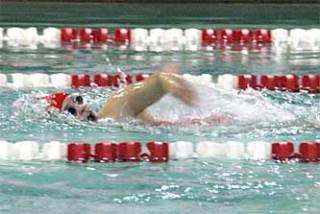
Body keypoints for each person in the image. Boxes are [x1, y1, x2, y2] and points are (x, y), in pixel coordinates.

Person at [42, 64, 198, 125]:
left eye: (77, 99)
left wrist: (174, 88)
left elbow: (160, 78)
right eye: (71, 110)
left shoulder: (117, 105)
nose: (79, 107)